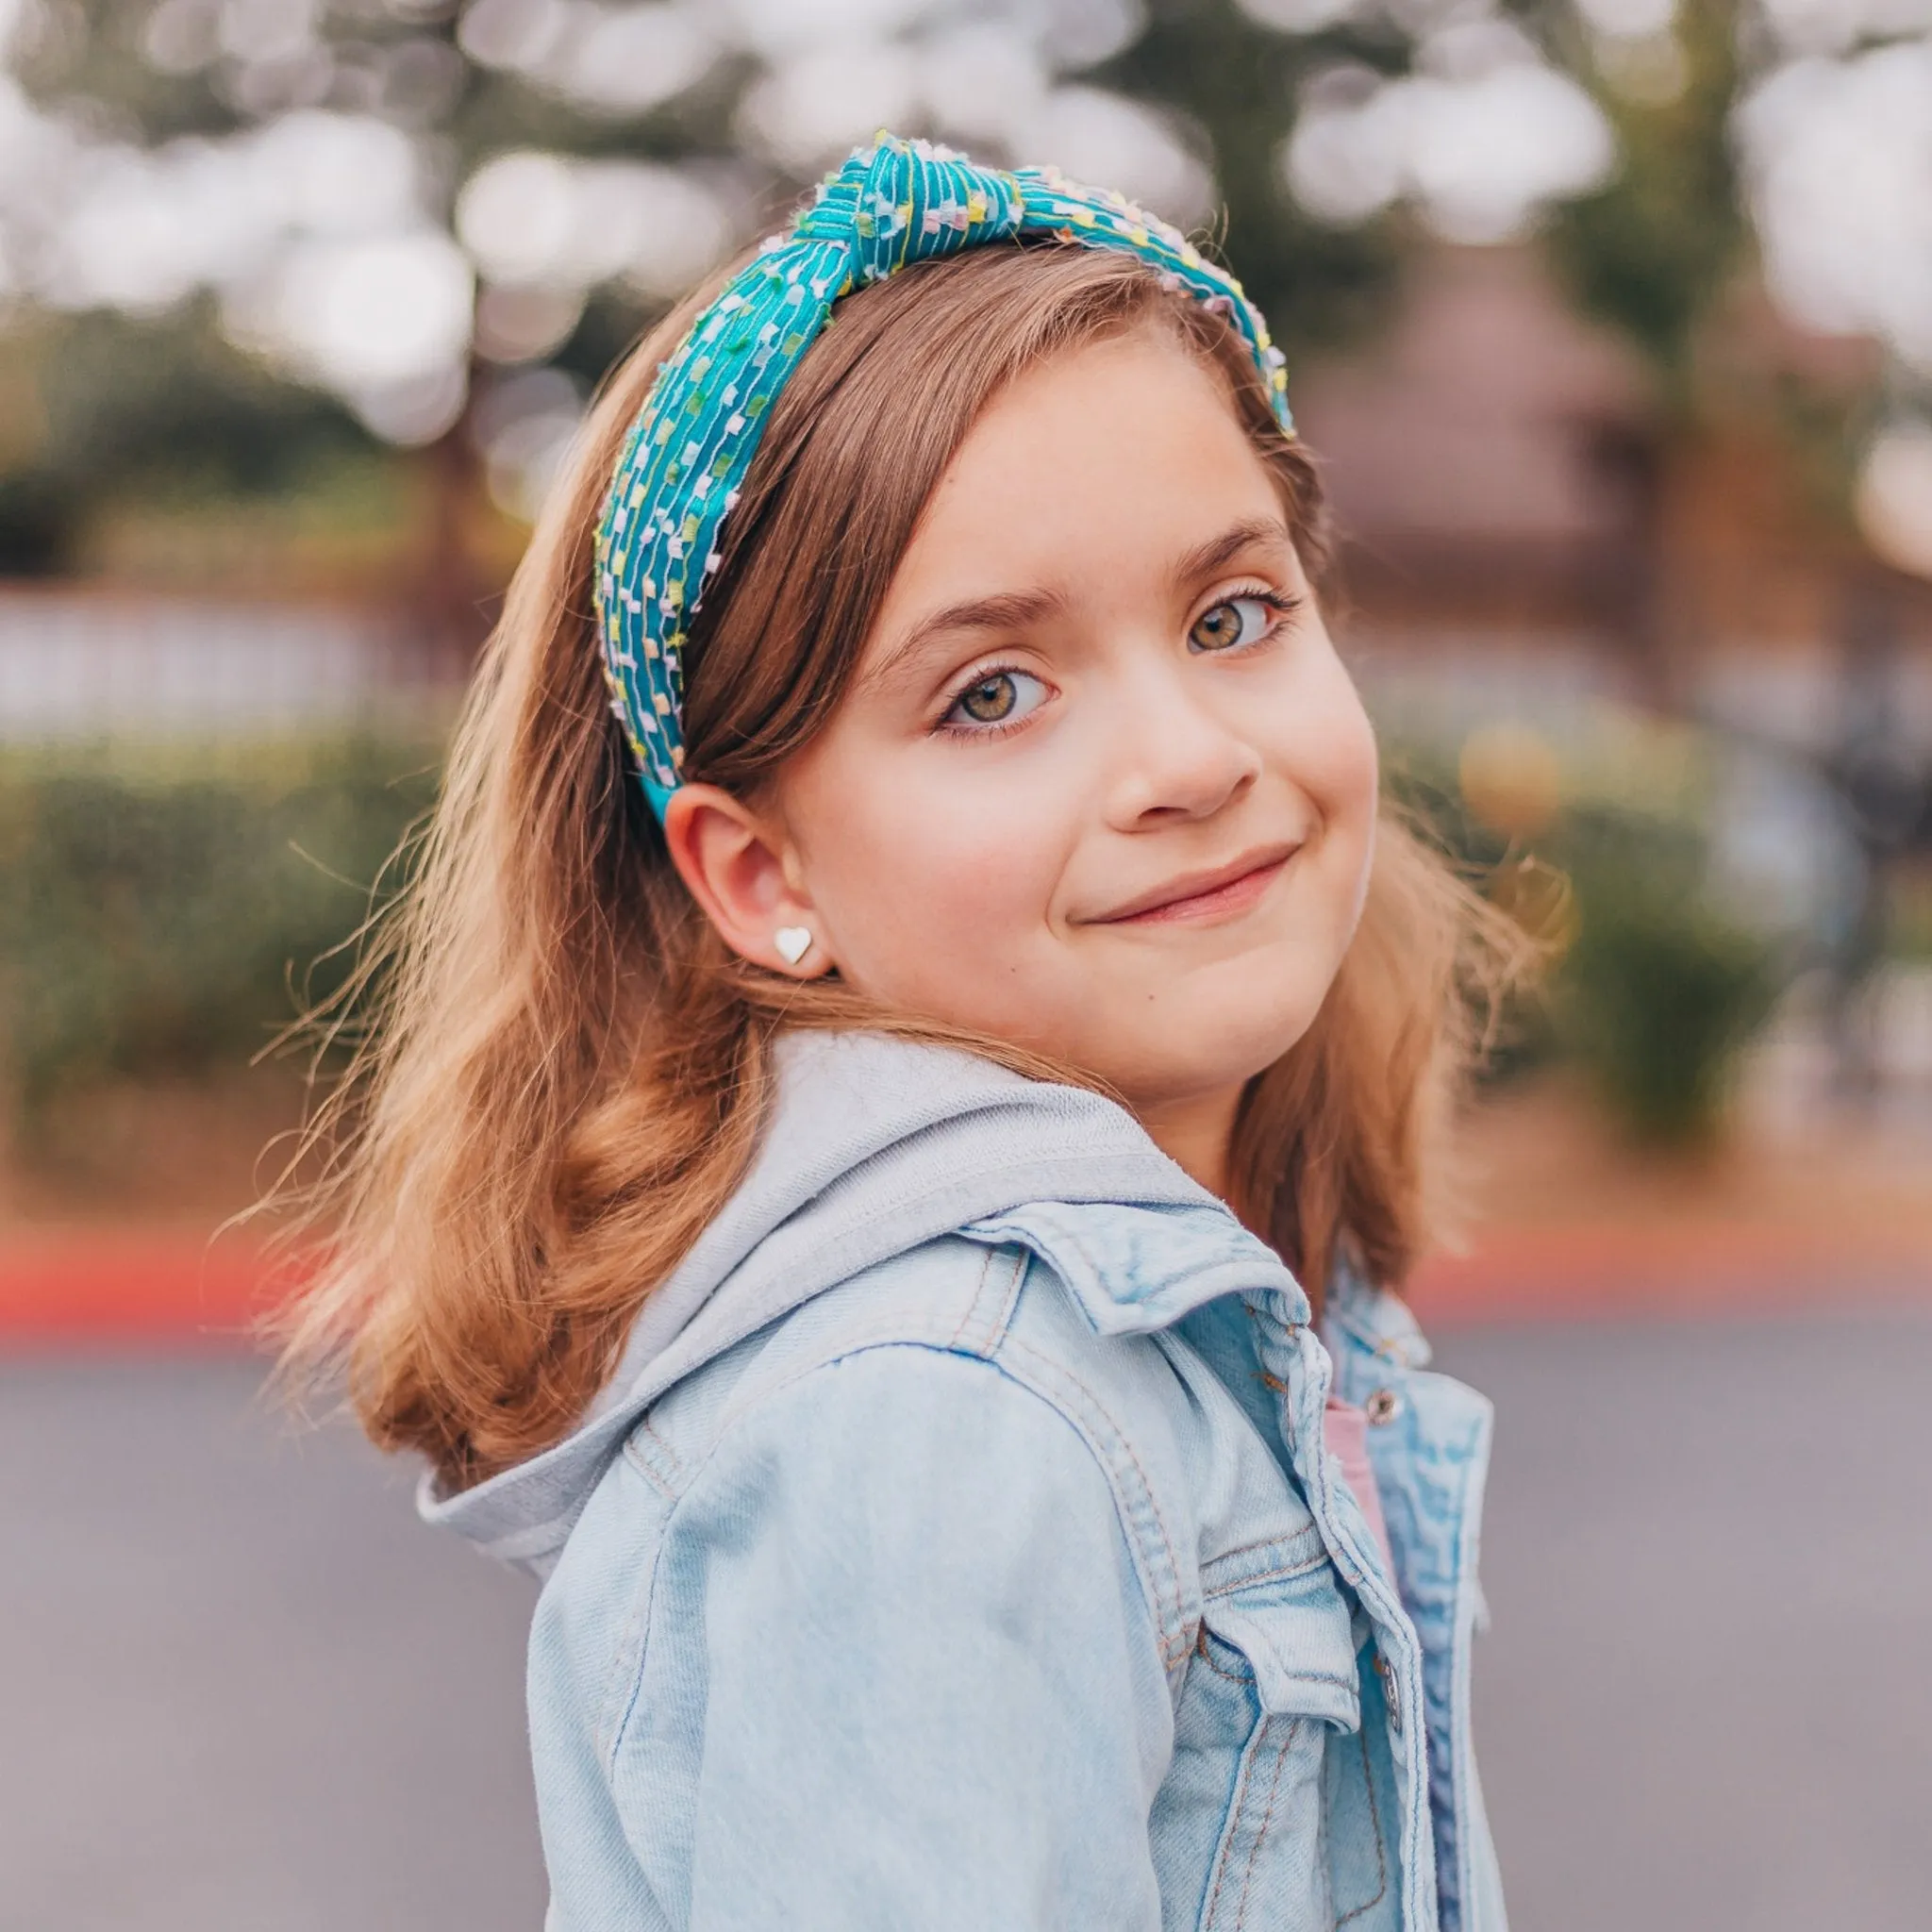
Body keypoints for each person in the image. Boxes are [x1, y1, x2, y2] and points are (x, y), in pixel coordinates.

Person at [283, 137, 1524, 1931]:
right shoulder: (944, 1418)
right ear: (760, 870)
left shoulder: (1204, 1313)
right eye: (992, 692)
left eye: (1232, 612)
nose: (1190, 759)